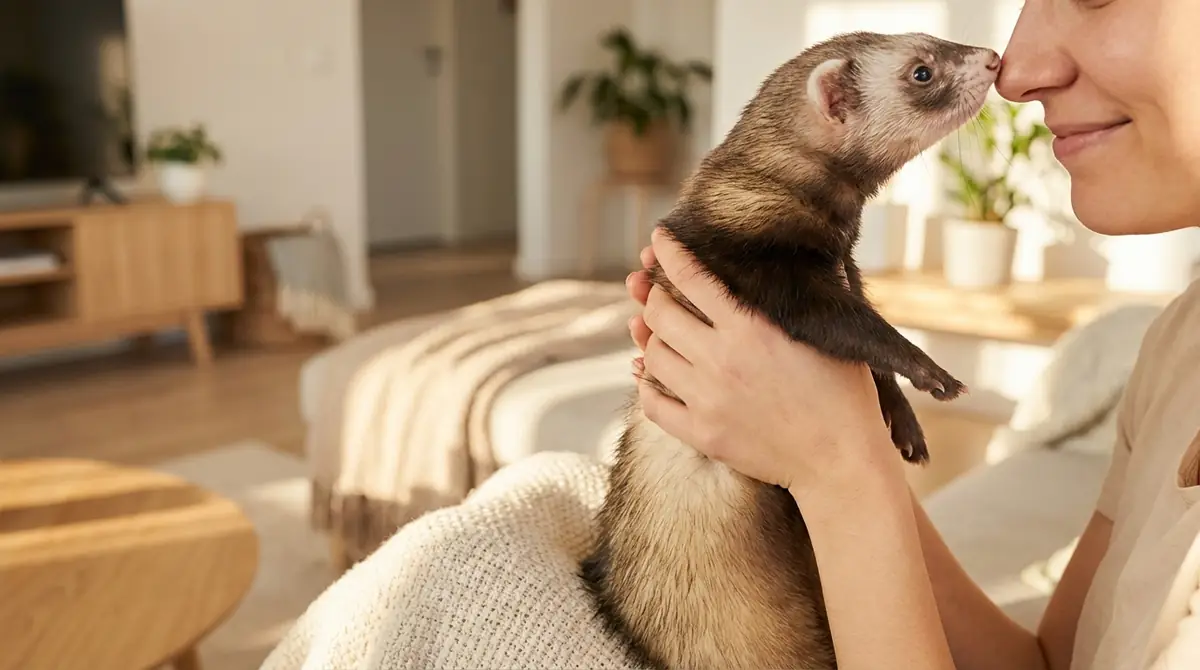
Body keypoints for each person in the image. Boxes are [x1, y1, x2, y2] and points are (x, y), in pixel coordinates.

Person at [621, 1, 1200, 668]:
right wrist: (830, 437)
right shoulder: (1174, 350)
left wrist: (841, 473)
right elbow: (1045, 665)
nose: (1013, 69)